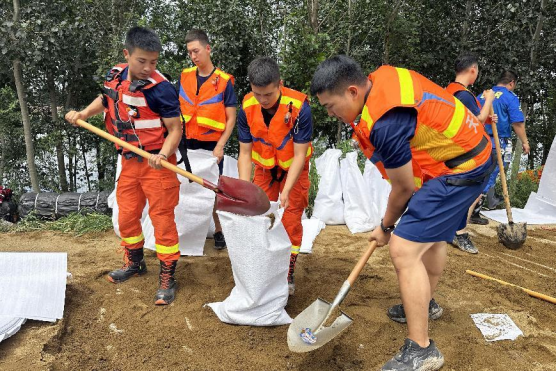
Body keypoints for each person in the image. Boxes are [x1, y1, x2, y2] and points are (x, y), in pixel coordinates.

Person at [311, 55, 494, 371]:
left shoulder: (386, 121)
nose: (332, 114)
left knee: (403, 248)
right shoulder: (381, 80)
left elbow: (403, 189)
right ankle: (426, 304)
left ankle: (421, 350)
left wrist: (385, 226)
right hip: (460, 156)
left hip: (462, 166)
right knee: (431, 239)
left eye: (330, 106)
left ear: (353, 91)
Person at [65, 27, 182, 305]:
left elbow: (175, 129)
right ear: (126, 54)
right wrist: (83, 113)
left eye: (153, 62)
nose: (148, 68)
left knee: (162, 220)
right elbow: (106, 101)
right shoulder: (115, 75)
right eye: (142, 61)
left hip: (158, 164)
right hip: (129, 161)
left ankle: (168, 276)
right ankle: (135, 263)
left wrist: (163, 155)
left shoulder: (161, 89)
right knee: (126, 216)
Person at [237, 57, 313, 296]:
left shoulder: (300, 107)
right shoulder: (247, 106)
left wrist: (287, 191)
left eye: (268, 94)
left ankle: (287, 272)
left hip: (294, 172)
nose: (263, 100)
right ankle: (264, 266)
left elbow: (300, 155)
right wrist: (244, 189)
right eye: (257, 94)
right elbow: (245, 153)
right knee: (260, 218)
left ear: (280, 83)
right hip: (264, 170)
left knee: (290, 220)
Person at [178, 29, 237, 250]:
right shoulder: (185, 76)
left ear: (208, 48)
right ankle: (186, 232)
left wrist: (221, 145)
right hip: (186, 143)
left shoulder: (224, 82)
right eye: (189, 52)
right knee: (184, 187)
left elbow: (231, 118)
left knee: (212, 188)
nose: (193, 56)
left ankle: (218, 229)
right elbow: (176, 110)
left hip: (211, 147)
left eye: (196, 51)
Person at [445, 53, 498, 253]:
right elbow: (476, 120)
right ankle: (459, 232)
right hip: (466, 152)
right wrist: (488, 100)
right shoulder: (463, 94)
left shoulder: (450, 91)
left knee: (461, 191)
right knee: (470, 191)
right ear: (473, 70)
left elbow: (470, 118)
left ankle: (453, 229)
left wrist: (487, 117)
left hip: (453, 148)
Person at [473, 69, 530, 223]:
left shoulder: (483, 95)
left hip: (477, 140)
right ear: (511, 83)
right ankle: (474, 211)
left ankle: (473, 206)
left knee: (477, 173)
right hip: (497, 142)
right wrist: (525, 141)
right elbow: (517, 122)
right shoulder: (509, 97)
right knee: (491, 174)